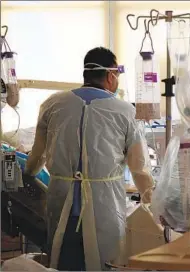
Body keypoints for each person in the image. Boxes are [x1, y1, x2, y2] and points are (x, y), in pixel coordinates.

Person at [25, 47, 154, 271]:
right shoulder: (124, 111)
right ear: (111, 75)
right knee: (105, 261)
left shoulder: (53, 104)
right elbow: (139, 168)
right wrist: (153, 201)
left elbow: (37, 155)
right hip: (104, 204)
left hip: (61, 197)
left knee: (62, 260)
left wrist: (27, 176)